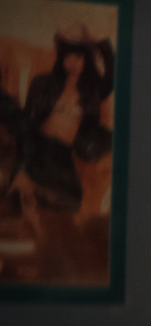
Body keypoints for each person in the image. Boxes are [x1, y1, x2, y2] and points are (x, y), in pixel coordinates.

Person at [22, 23, 114, 214]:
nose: (72, 63)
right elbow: (26, 124)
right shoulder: (44, 83)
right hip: (39, 150)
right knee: (31, 201)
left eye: (78, 58)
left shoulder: (92, 92)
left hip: (63, 155)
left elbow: (111, 75)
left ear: (86, 60)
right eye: (67, 57)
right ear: (61, 59)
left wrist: (101, 44)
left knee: (71, 202)